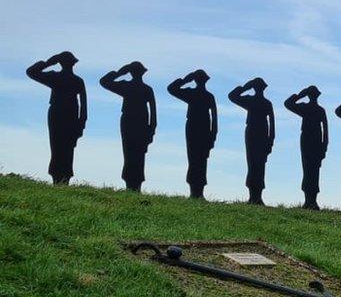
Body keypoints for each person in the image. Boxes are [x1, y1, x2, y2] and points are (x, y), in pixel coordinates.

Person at [26, 51, 87, 185]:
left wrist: (48, 63)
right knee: (60, 147)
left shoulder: (63, 78)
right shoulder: (70, 79)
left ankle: (61, 177)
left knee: (61, 147)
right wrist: (81, 123)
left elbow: (83, 105)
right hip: (61, 116)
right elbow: (84, 106)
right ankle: (59, 177)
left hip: (64, 116)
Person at [99, 61, 156, 192]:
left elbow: (153, 113)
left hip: (137, 123)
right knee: (131, 153)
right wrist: (152, 128)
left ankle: (135, 185)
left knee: (135, 154)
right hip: (131, 122)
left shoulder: (141, 88)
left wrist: (120, 73)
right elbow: (104, 82)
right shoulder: (138, 88)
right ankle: (131, 184)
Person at [167, 69, 217, 199]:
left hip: (202, 129)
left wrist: (213, 135)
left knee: (198, 159)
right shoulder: (197, 94)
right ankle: (195, 191)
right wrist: (185, 80)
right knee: (195, 159)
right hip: (194, 128)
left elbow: (214, 118)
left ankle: (198, 191)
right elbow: (171, 89)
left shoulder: (204, 96)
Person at [229, 78, 275, 205]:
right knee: (255, 164)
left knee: (257, 164)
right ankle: (254, 196)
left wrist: (245, 87)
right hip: (254, 134)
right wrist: (245, 87)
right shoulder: (260, 102)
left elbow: (272, 124)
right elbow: (232, 96)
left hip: (259, 135)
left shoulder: (261, 102)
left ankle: (256, 196)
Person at [285, 86, 328, 210]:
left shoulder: (317, 110)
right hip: (307, 141)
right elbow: (288, 104)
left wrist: (300, 95)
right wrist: (300, 95)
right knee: (309, 169)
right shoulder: (309, 108)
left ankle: (312, 200)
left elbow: (325, 130)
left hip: (314, 143)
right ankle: (309, 200)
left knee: (313, 170)